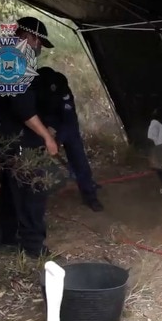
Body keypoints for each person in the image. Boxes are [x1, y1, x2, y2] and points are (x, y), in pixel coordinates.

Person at [0, 16, 57, 258]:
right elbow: (23, 108)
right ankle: (34, 247)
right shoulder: (16, 62)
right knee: (31, 189)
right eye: (39, 43)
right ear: (31, 37)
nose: (39, 50)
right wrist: (47, 136)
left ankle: (7, 235)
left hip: (1, 132)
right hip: (18, 138)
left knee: (11, 184)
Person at [35, 66, 104, 212]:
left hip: (66, 122)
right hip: (43, 125)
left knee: (79, 159)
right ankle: (36, 201)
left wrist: (57, 140)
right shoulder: (33, 88)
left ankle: (90, 195)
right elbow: (32, 115)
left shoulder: (61, 84)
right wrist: (46, 135)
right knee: (37, 162)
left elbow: (69, 117)